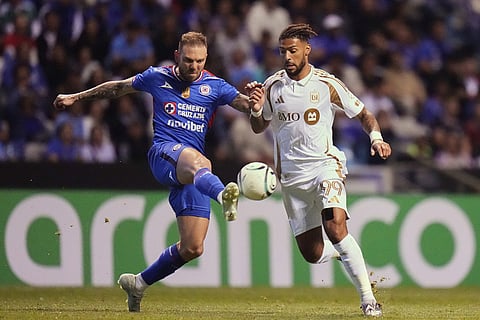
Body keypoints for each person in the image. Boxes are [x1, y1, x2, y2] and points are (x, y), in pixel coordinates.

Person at [53, 31, 252, 312]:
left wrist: (258, 103)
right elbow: (117, 88)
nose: (194, 67)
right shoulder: (157, 77)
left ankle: (139, 283)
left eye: (199, 61)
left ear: (206, 59)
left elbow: (247, 107)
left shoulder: (215, 86)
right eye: (189, 60)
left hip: (194, 176)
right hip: (164, 154)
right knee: (201, 161)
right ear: (177, 56)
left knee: (193, 247)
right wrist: (76, 97)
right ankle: (223, 196)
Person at [246, 24, 392, 317]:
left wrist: (376, 138)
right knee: (312, 254)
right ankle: (343, 252)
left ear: (306, 51)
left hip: (325, 167)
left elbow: (364, 113)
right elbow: (259, 126)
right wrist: (255, 109)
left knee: (336, 227)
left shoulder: (326, 84)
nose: (287, 56)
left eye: (293, 51)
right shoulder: (272, 86)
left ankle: (368, 299)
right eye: (282, 51)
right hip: (291, 178)